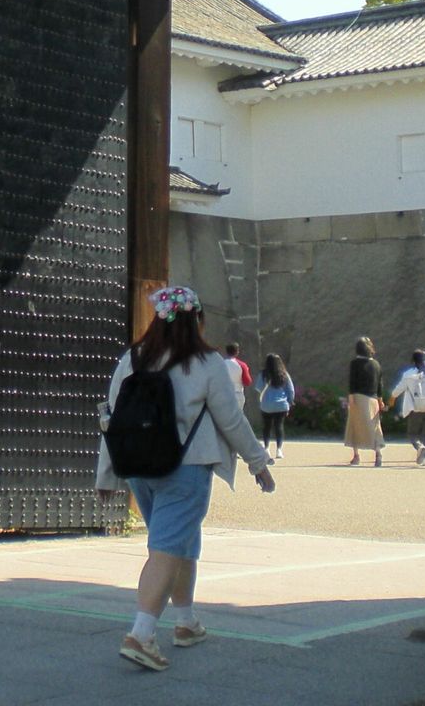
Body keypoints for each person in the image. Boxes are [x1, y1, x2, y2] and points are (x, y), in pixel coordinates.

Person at [96, 285, 274, 672]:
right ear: (197, 321)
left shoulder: (133, 358)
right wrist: (258, 462)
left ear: (158, 319)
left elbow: (111, 417)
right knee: (166, 549)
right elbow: (231, 419)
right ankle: (141, 634)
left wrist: (106, 475)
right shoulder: (206, 362)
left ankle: (186, 620)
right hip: (187, 467)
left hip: (139, 467)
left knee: (180, 542)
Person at [386, 348, 425, 466]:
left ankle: (419, 446)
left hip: (415, 408)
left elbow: (398, 389)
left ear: (413, 360)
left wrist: (391, 400)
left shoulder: (408, 375)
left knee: (412, 434)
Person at [343, 336, 387, 467]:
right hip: (373, 399)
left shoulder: (355, 363)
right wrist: (380, 400)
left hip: (359, 397)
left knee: (355, 426)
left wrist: (351, 398)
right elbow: (380, 385)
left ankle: (356, 456)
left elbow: (352, 382)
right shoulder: (376, 364)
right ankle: (378, 453)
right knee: (374, 427)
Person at [255, 353, 295, 459]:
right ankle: (279, 450)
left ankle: (266, 448)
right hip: (281, 404)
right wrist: (290, 401)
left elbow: (258, 388)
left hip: (266, 405)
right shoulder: (284, 374)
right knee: (279, 426)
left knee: (266, 427)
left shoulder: (263, 374)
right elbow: (291, 390)